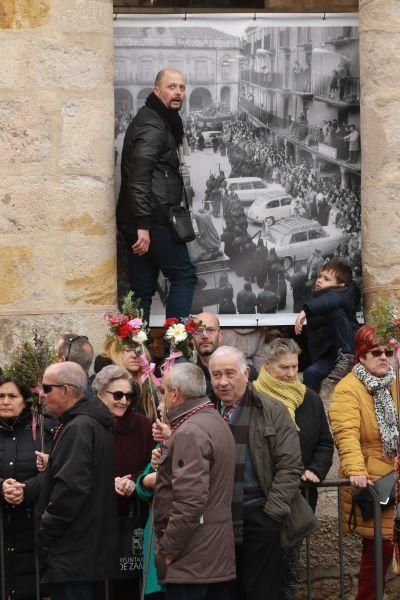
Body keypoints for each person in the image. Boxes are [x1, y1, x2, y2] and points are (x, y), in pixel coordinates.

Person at [209, 346, 318, 600]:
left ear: (246, 374)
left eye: (229, 373)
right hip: (217, 522)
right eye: (216, 375)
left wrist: (272, 515)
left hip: (261, 516)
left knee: (263, 592)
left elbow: (290, 466)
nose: (222, 382)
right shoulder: (204, 412)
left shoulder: (272, 410)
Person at [253, 339, 334, 600]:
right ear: (267, 366)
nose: (290, 374)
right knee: (258, 573)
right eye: (283, 368)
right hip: (259, 497)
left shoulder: (308, 398)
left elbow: (324, 441)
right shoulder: (253, 397)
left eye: (294, 367)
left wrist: (316, 469)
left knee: (288, 572)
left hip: (298, 498)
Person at [117, 68, 197, 324]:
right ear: (156, 90)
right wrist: (143, 225)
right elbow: (138, 177)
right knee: (184, 276)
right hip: (153, 218)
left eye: (182, 88)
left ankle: (133, 354)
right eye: (172, 87)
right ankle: (177, 349)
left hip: (144, 218)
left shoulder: (158, 119)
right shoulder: (153, 125)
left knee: (141, 290)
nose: (178, 93)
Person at [153, 363, 236, 600]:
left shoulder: (190, 431)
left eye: (164, 391)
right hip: (212, 555)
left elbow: (189, 502)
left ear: (175, 393)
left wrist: (168, 552)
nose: (164, 397)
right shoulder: (214, 420)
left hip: (192, 558)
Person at [36, 362, 117, 600]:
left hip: (73, 552)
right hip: (81, 552)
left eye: (47, 387)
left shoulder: (80, 426)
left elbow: (72, 488)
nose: (42, 393)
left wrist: (46, 527)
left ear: (66, 390)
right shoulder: (84, 423)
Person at [329, 325, 397, 600]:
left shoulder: (393, 381)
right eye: (376, 352)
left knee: (387, 548)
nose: (384, 357)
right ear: (361, 356)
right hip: (373, 480)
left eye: (388, 352)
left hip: (394, 473)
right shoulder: (348, 389)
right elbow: (346, 433)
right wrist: (356, 470)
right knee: (379, 550)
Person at [92, 365, 153, 600]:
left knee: (130, 585)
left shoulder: (143, 425)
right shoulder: (88, 424)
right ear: (100, 393)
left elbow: (152, 464)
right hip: (98, 520)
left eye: (129, 395)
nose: (124, 401)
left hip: (133, 517)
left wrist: (135, 482)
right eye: (118, 395)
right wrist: (109, 483)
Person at [0, 377, 56, 599]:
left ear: (25, 400)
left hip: (32, 524)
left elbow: (53, 470)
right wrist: (2, 487)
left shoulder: (43, 430)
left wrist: (27, 490)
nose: (5, 401)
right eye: (1, 396)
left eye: (12, 396)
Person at [295, 260, 360, 392]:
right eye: (319, 276)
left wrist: (306, 310)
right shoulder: (317, 300)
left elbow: (332, 300)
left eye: (326, 279)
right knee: (310, 373)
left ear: (341, 285)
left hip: (342, 354)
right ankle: (313, 410)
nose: (319, 280)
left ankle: (348, 357)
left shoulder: (345, 295)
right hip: (325, 356)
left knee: (334, 310)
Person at [193, 312, 258, 394]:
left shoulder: (244, 372)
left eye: (210, 330)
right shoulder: (188, 378)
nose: (205, 335)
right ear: (192, 339)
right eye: (199, 331)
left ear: (220, 336)